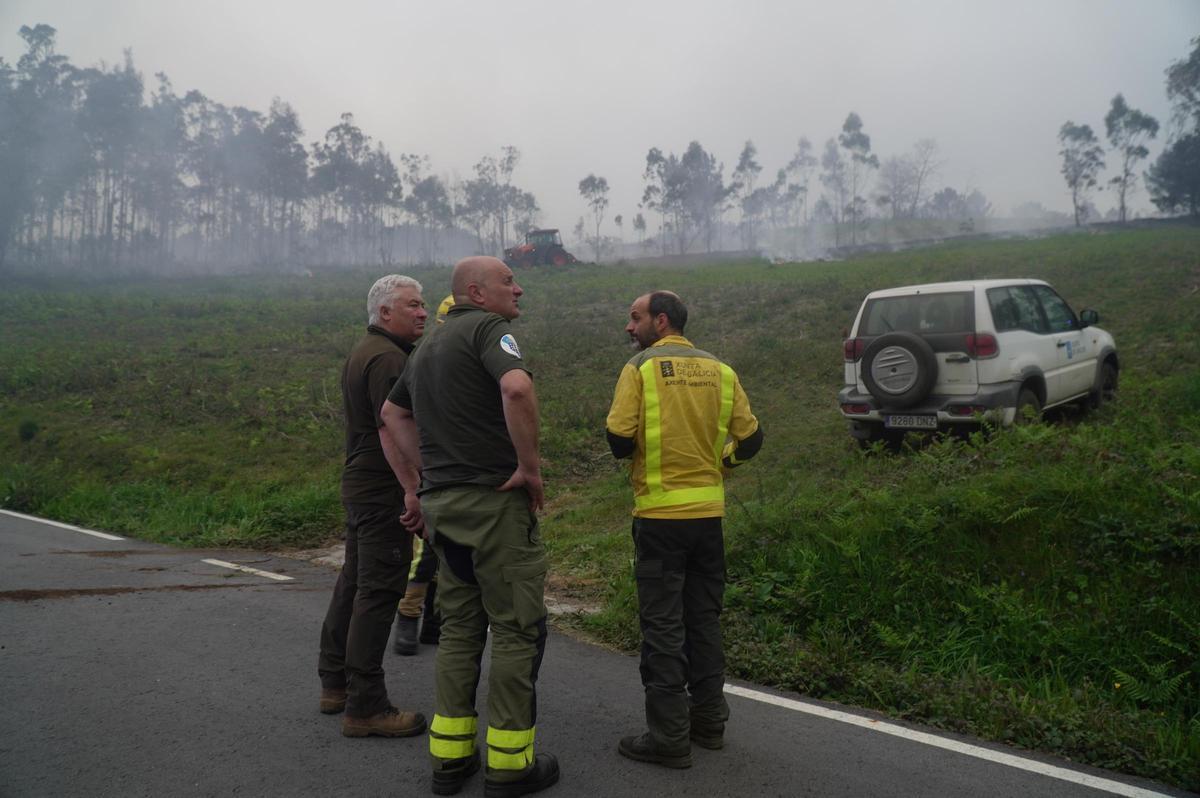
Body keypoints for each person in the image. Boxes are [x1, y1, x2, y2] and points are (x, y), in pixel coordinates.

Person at [383, 257, 559, 798]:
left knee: (459, 628)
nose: (519, 289)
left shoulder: (428, 346)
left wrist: (424, 479)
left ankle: (451, 759)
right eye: (509, 282)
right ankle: (509, 765)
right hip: (492, 505)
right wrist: (528, 469)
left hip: (444, 509)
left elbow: (392, 416)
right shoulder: (489, 330)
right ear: (477, 293)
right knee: (514, 628)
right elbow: (516, 389)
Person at [605, 290, 763, 769]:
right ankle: (709, 724)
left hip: (658, 522)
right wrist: (722, 462)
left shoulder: (641, 370)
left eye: (635, 319)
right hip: (708, 520)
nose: (629, 328)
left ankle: (669, 738)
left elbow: (617, 440)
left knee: (663, 628)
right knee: (703, 620)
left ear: (661, 320)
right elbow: (752, 439)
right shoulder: (722, 370)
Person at [317, 274, 428, 739]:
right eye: (412, 305)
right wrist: (412, 488)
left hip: (361, 484)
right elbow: (390, 428)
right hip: (383, 488)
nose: (422, 312)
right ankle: (366, 705)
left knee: (355, 581)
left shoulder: (367, 350)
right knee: (379, 591)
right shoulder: (387, 359)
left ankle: (335, 682)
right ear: (385, 313)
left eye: (423, 305)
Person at [392, 293, 455, 656]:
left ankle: (434, 620)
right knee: (429, 549)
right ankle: (409, 613)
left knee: (451, 549)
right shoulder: (425, 360)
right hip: (432, 463)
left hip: (456, 465)